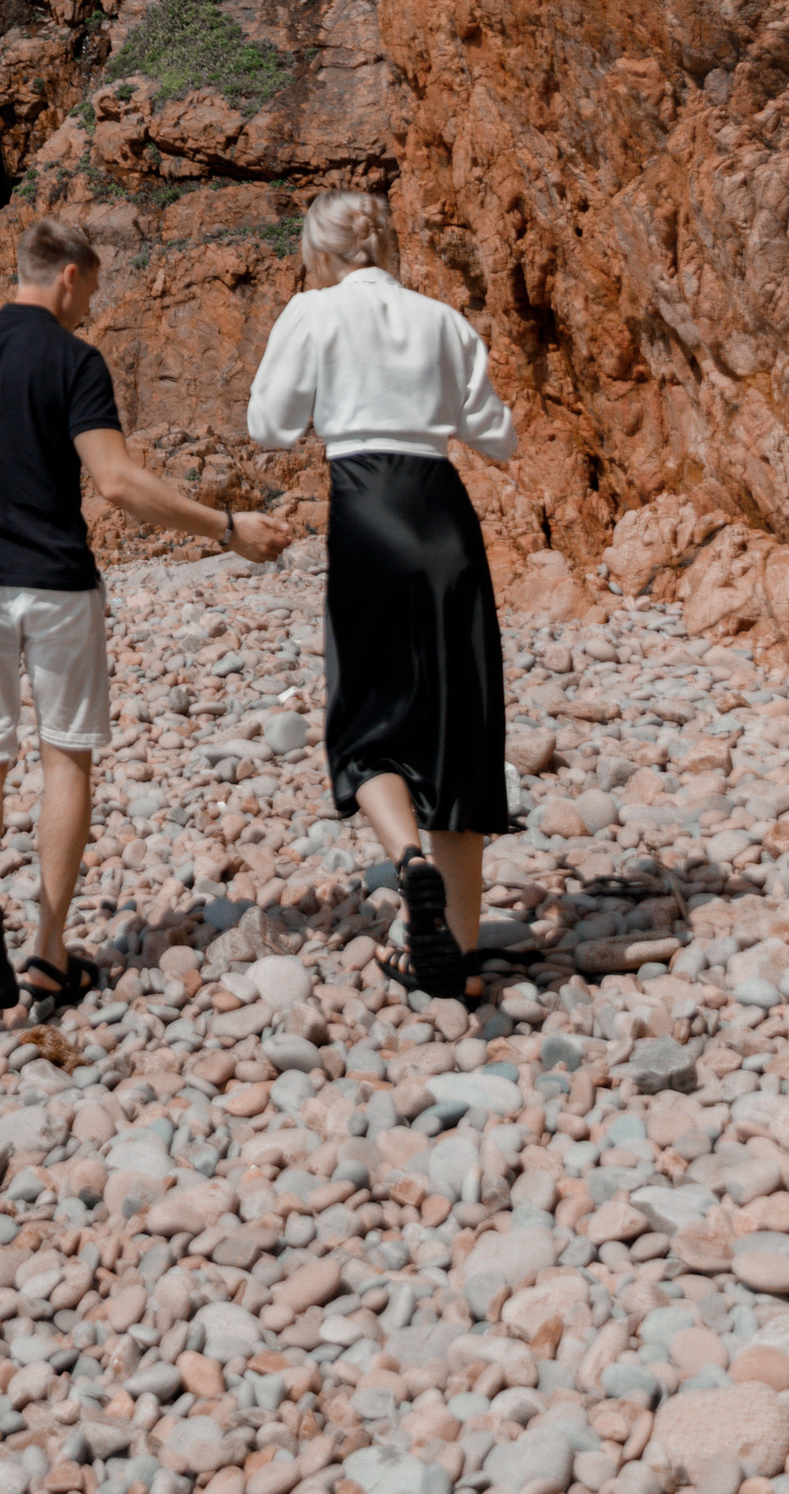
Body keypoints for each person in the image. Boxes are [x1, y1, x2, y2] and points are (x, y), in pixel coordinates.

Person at [0, 204, 294, 1021]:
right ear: (68, 276)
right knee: (65, 755)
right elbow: (117, 483)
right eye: (89, 294)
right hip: (58, 585)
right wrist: (226, 529)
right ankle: (48, 950)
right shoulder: (76, 361)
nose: (88, 312)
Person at [245, 185, 517, 1006]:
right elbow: (495, 435)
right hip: (443, 513)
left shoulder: (313, 311)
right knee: (456, 720)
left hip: (365, 507)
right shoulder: (442, 319)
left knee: (366, 710)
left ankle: (406, 862)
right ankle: (461, 952)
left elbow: (269, 424)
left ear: (319, 253)